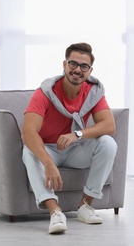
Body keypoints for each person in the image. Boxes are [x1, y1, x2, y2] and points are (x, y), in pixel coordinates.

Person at [21, 42, 118, 234]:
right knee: (28, 150)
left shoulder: (93, 91)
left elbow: (109, 125)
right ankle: (55, 211)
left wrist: (77, 134)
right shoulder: (44, 93)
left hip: (75, 148)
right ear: (64, 65)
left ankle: (85, 206)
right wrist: (48, 163)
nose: (77, 70)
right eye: (73, 64)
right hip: (48, 148)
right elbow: (28, 132)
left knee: (108, 143)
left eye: (83, 66)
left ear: (90, 70)